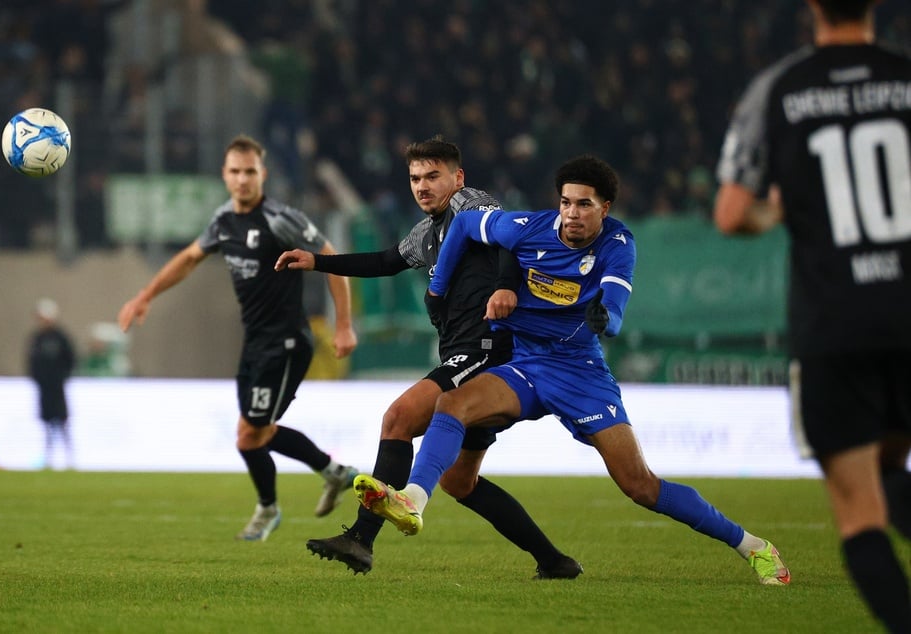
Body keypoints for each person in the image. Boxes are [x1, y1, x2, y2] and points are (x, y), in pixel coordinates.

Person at [355, 154, 791, 586]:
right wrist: (437, 287)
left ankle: (752, 546)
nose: (572, 214)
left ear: (605, 208)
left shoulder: (618, 244)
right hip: (525, 365)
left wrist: (607, 318)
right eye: (566, 202)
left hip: (580, 374)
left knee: (640, 486)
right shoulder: (530, 228)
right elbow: (467, 226)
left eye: (584, 205)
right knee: (452, 403)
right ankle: (413, 500)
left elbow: (616, 298)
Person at [277, 136, 581, 578]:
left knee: (399, 418)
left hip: (486, 350)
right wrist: (318, 263)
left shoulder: (471, 205)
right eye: (415, 178)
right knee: (460, 482)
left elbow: (511, 242)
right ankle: (554, 561)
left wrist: (504, 286)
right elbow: (385, 261)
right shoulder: (428, 231)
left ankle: (361, 539)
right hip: (466, 351)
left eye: (432, 176)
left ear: (457, 178)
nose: (422, 186)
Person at [713, 0, 911, 629]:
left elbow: (732, 213)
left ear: (812, 8)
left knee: (860, 511)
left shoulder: (777, 89)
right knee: (890, 466)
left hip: (833, 323)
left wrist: (785, 211)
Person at [118, 134, 360, 541]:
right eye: (235, 171)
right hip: (254, 343)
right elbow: (190, 258)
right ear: (225, 175)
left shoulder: (283, 219)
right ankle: (333, 472)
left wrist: (343, 325)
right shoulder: (223, 221)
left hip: (286, 343)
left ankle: (269, 509)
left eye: (250, 171)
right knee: (254, 434)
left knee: (250, 435)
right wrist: (146, 295)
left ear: (262, 174)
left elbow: (333, 261)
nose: (243, 179)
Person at [27, 298, 76, 470]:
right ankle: (48, 457)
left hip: (57, 386)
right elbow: (31, 362)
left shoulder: (60, 337)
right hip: (44, 388)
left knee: (62, 421)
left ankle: (70, 457)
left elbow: (70, 359)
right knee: (47, 423)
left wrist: (62, 377)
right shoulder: (37, 338)